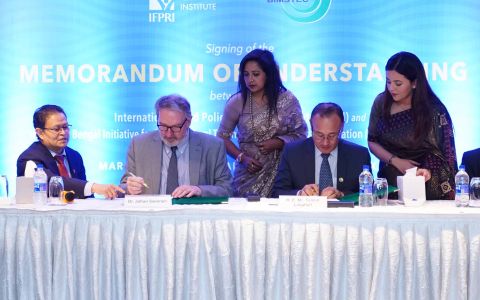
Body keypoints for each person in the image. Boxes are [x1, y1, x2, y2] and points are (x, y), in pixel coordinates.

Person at [217, 49, 307, 197]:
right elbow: (222, 137)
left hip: (282, 173)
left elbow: (301, 135)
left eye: (256, 74)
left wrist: (278, 142)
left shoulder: (287, 100)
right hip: (248, 175)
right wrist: (242, 158)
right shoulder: (237, 102)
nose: (250, 79)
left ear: (268, 74)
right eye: (246, 74)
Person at [368, 51, 457, 200]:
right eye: (388, 82)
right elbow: (372, 141)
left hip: (428, 181)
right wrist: (396, 161)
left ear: (414, 83)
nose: (391, 88)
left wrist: (424, 170)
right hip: (391, 179)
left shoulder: (434, 110)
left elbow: (445, 153)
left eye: (398, 83)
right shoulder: (381, 102)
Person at [121, 94, 232, 197]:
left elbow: (227, 189)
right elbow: (123, 187)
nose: (169, 134)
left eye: (175, 127)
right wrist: (129, 188)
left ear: (188, 121)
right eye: (163, 126)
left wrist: (200, 190)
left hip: (194, 215)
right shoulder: (139, 144)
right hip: (152, 215)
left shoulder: (212, 146)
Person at [17, 105, 124, 199]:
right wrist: (94, 187)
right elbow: (51, 182)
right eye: (56, 129)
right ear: (40, 133)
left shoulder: (74, 156)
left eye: (65, 127)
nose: (63, 133)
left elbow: (84, 194)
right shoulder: (29, 157)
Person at [272, 102, 371, 198]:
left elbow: (369, 194)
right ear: (311, 126)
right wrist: (300, 194)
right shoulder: (292, 153)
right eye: (320, 135)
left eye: (332, 136)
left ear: (342, 128)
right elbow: (277, 192)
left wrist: (341, 195)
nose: (325, 142)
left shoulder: (359, 155)